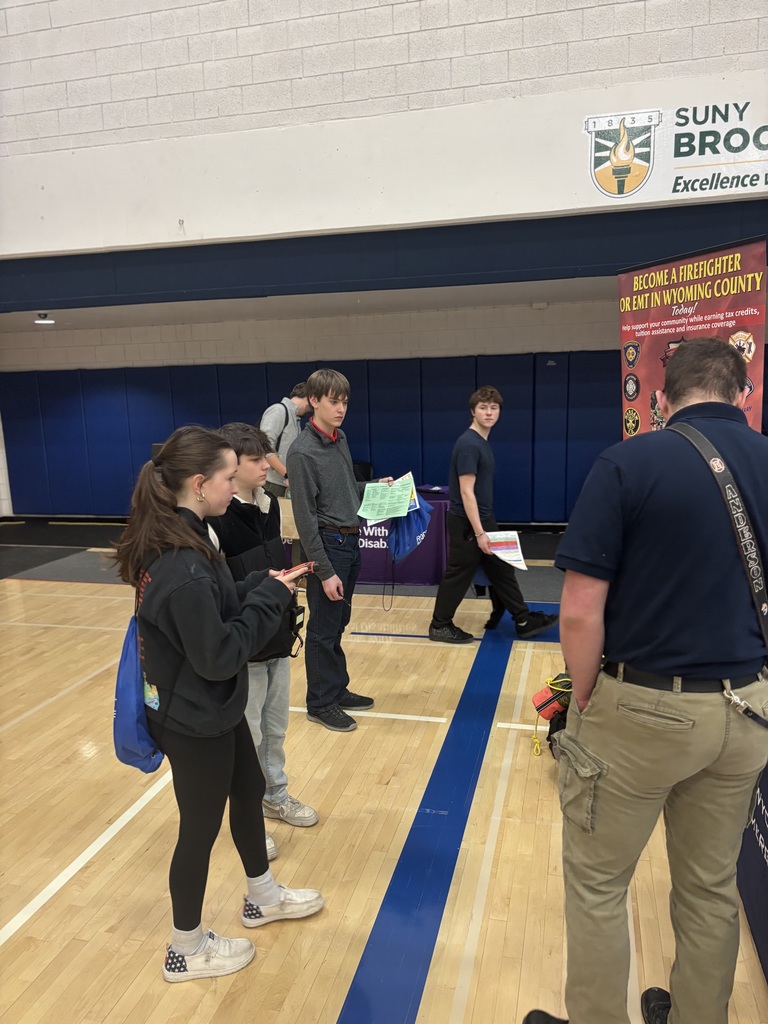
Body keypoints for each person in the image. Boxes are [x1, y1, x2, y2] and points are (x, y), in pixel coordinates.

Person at [523, 338, 768, 1024]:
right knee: (711, 889)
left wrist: (586, 700)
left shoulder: (628, 462)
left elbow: (577, 610)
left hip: (643, 706)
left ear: (661, 400)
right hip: (747, 710)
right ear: (743, 394)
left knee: (599, 887)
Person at [114, 425, 323, 984]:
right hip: (193, 714)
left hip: (208, 705)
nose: (237, 486)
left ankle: (261, 897)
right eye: (230, 477)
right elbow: (220, 653)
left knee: (250, 789)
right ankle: (184, 949)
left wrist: (263, 580)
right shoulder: (178, 562)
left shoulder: (188, 537)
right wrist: (269, 601)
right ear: (201, 483)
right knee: (199, 831)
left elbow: (220, 596)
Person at [207, 422, 318, 836]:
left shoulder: (270, 504)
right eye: (255, 460)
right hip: (245, 644)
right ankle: (247, 815)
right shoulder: (217, 517)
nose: (265, 466)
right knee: (248, 736)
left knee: (274, 730)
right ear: (232, 466)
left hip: (277, 636)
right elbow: (221, 589)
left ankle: (275, 794)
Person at [286, 368, 392, 733]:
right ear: (314, 401)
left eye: (345, 401)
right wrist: (324, 570)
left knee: (338, 623)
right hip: (328, 546)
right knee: (323, 628)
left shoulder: (339, 438)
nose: (341, 408)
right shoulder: (301, 453)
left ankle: (336, 688)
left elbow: (348, 489)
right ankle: (320, 702)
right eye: (333, 401)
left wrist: (377, 486)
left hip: (351, 540)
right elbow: (305, 518)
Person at [428, 386, 558, 644]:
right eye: (483, 408)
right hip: (468, 522)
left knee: (501, 569)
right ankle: (439, 625)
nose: (489, 412)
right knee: (459, 573)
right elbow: (466, 492)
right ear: (472, 412)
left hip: (482, 520)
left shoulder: (481, 443)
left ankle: (522, 619)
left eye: (494, 407)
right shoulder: (469, 445)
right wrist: (479, 533)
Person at [259, 382, 312, 497]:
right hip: (273, 483)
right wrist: (288, 475)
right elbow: (265, 447)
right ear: (308, 398)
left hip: (283, 483)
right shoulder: (279, 410)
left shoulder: (295, 418)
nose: (311, 409)